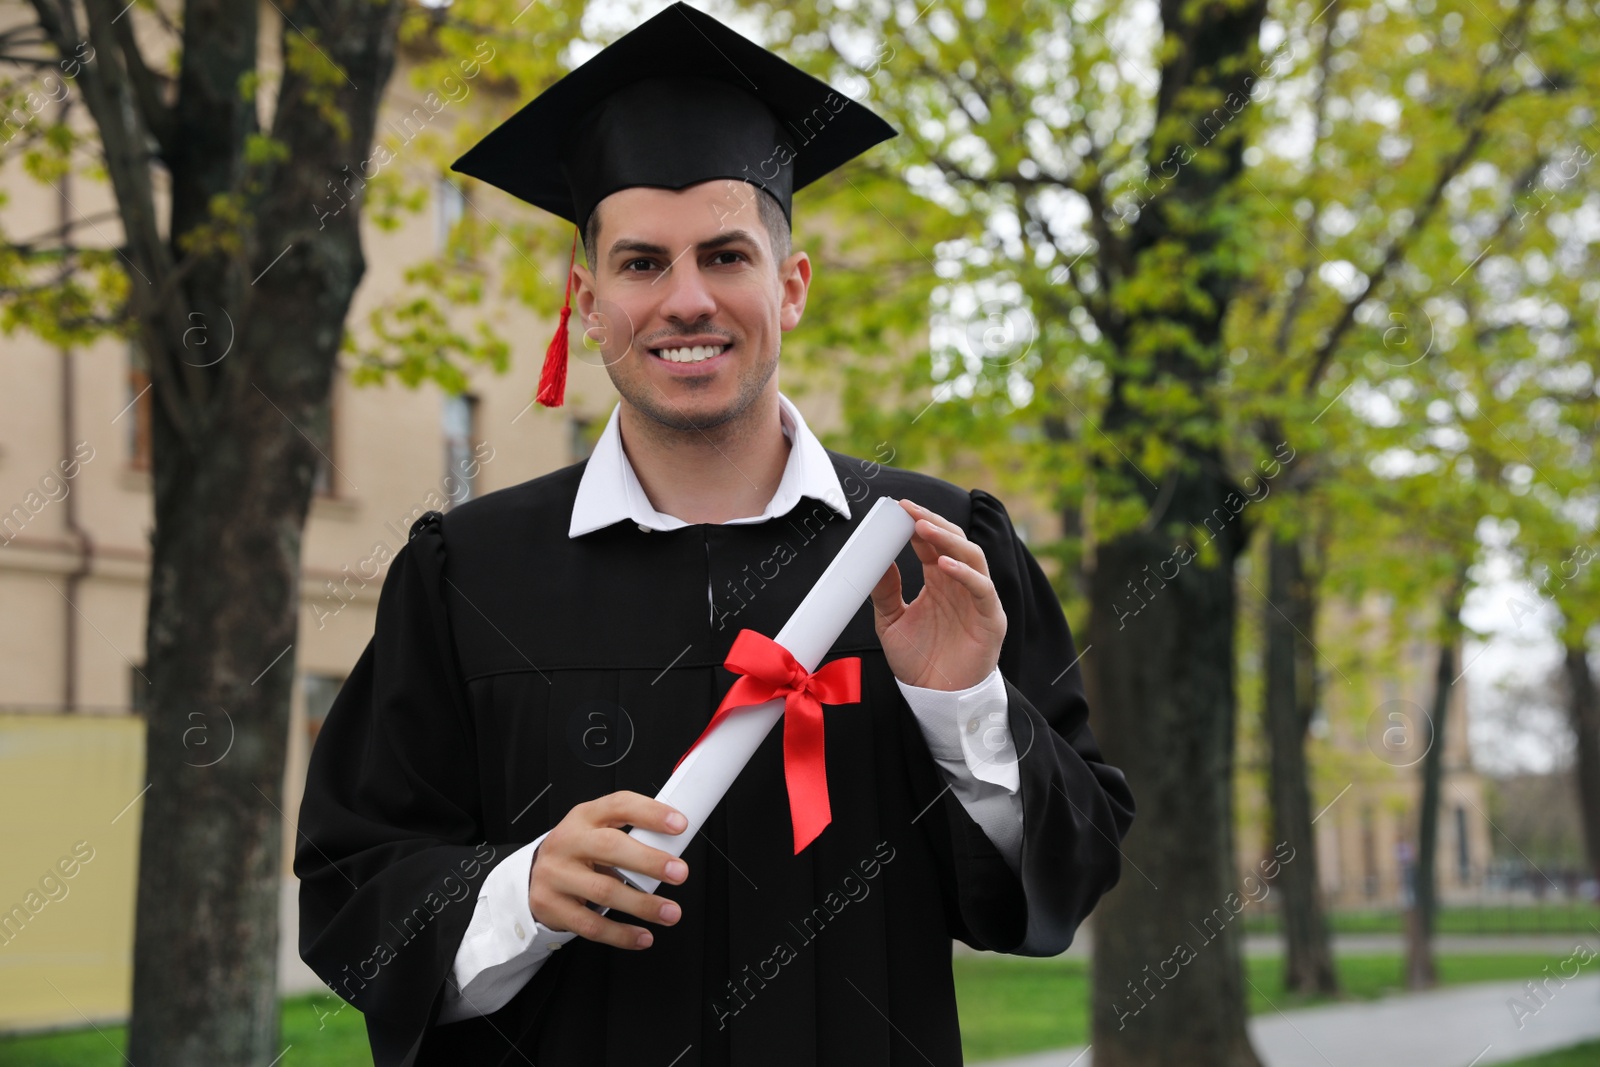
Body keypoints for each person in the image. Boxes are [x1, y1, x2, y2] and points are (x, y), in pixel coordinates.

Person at [294, 6, 1135, 1065]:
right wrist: (519, 889)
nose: (686, 300)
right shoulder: (469, 575)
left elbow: (1065, 874)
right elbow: (350, 886)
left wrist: (958, 704)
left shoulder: (930, 552)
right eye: (642, 263)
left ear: (790, 288)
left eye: (727, 255)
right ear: (588, 303)